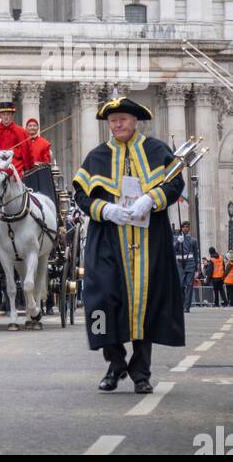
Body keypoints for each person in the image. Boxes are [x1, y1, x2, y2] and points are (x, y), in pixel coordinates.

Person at [73, 96, 184, 394]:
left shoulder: (158, 150)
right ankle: (115, 361)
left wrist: (152, 198)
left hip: (150, 241)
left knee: (145, 306)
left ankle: (141, 372)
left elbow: (175, 184)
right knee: (101, 301)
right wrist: (105, 210)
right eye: (112, 121)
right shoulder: (97, 156)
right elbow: (81, 196)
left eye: (122, 118)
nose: (117, 124)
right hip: (108, 239)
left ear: (135, 120)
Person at [173, 221, 199, 312]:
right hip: (180, 264)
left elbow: (196, 253)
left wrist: (197, 268)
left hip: (191, 263)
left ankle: (186, 307)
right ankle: (182, 303)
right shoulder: (175, 238)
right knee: (180, 285)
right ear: (181, 228)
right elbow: (173, 250)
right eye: (184, 227)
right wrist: (178, 242)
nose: (186, 228)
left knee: (189, 285)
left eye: (187, 227)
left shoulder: (193, 240)